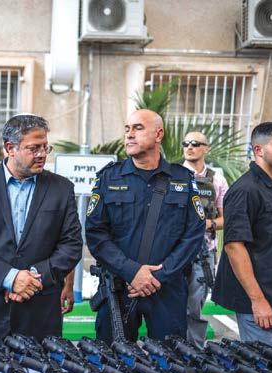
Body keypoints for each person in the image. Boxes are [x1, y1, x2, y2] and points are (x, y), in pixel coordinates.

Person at [0, 114, 82, 340]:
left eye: (45, 147)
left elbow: (71, 246)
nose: (42, 154)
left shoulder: (61, 189)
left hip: (39, 315)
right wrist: (10, 278)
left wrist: (33, 279)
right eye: (34, 148)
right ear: (10, 148)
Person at [86, 109, 205, 344]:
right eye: (127, 129)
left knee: (169, 359)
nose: (129, 134)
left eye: (138, 128)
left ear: (159, 134)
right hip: (119, 287)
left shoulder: (182, 179)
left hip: (166, 289)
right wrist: (132, 272)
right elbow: (95, 234)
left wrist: (158, 276)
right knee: (114, 360)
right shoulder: (109, 178)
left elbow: (193, 236)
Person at [213, 122, 272, 345]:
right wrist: (257, 300)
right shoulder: (245, 190)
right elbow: (234, 247)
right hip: (259, 301)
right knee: (265, 363)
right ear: (258, 150)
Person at [182, 131, 229, 349]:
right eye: (186, 143)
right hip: (175, 250)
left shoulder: (217, 179)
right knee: (171, 303)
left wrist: (207, 224)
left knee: (195, 304)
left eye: (195, 143)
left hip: (204, 252)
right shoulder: (173, 175)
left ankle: (194, 351)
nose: (189, 147)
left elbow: (227, 217)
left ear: (206, 148)